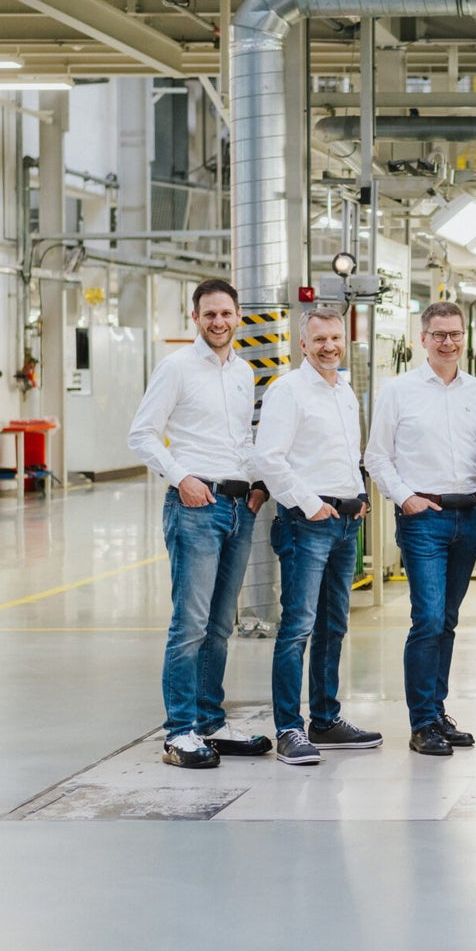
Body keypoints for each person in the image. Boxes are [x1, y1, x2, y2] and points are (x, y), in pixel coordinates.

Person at [127, 279, 271, 768]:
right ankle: (179, 731)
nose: (219, 322)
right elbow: (142, 434)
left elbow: (241, 441)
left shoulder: (244, 372)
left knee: (218, 626)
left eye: (226, 313)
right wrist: (182, 477)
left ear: (238, 316)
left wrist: (255, 485)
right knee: (189, 623)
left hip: (236, 508)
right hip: (194, 505)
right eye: (209, 314)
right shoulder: (177, 368)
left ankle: (211, 721)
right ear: (195, 318)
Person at [365, 302, 476, 757]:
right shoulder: (398, 391)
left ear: (466, 337)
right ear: (422, 339)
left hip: (468, 517)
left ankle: (438, 713)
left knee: (449, 621)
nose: (447, 342)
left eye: (455, 334)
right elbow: (377, 456)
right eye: (438, 334)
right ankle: (422, 722)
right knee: (428, 619)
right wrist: (406, 498)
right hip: (424, 518)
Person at [255, 306, 383, 765]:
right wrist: (311, 505)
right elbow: (269, 458)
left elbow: (348, 455)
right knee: (297, 627)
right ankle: (289, 727)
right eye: (320, 339)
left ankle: (325, 720)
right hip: (307, 522)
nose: (329, 346)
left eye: (336, 338)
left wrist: (360, 495)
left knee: (334, 625)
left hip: (346, 521)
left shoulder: (344, 389)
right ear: (302, 344)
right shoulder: (287, 390)